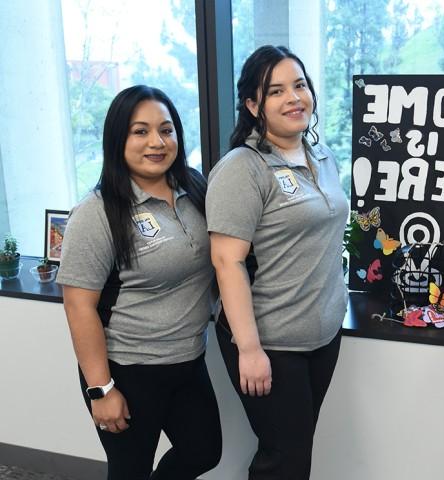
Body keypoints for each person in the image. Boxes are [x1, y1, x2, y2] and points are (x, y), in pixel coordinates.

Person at [57, 85, 222, 479]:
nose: (156, 142)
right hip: (127, 368)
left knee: (203, 451)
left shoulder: (194, 188)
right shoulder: (97, 213)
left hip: (187, 359)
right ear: (118, 139)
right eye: (140, 131)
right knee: (129, 470)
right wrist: (101, 389)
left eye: (166, 130)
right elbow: (78, 305)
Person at [206, 45, 348, 480]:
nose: (294, 98)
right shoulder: (242, 168)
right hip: (272, 342)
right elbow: (227, 262)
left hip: (322, 337)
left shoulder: (321, 157)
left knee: (294, 452)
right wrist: (248, 349)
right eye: (276, 91)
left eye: (300, 85)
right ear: (253, 105)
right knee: (283, 463)